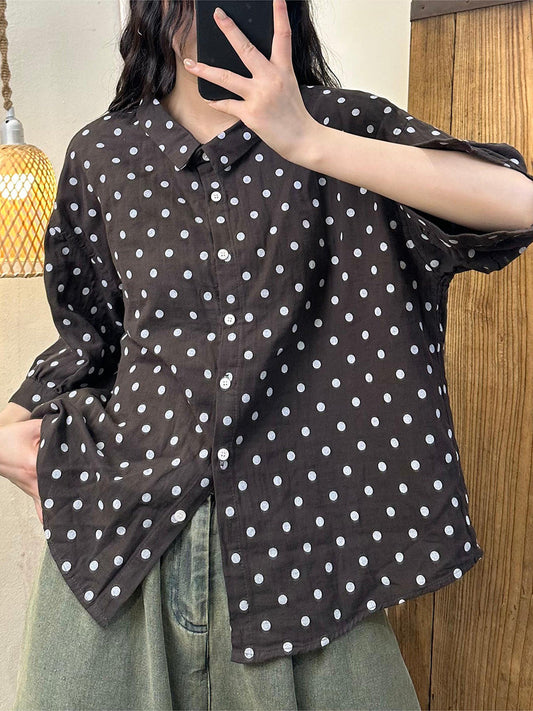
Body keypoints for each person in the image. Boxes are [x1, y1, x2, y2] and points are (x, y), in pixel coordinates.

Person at [2, 0, 533, 709]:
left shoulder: (340, 128)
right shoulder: (104, 154)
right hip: (120, 541)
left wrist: (308, 140)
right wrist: (8, 430)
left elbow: (517, 204)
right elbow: (89, 340)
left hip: (308, 551)